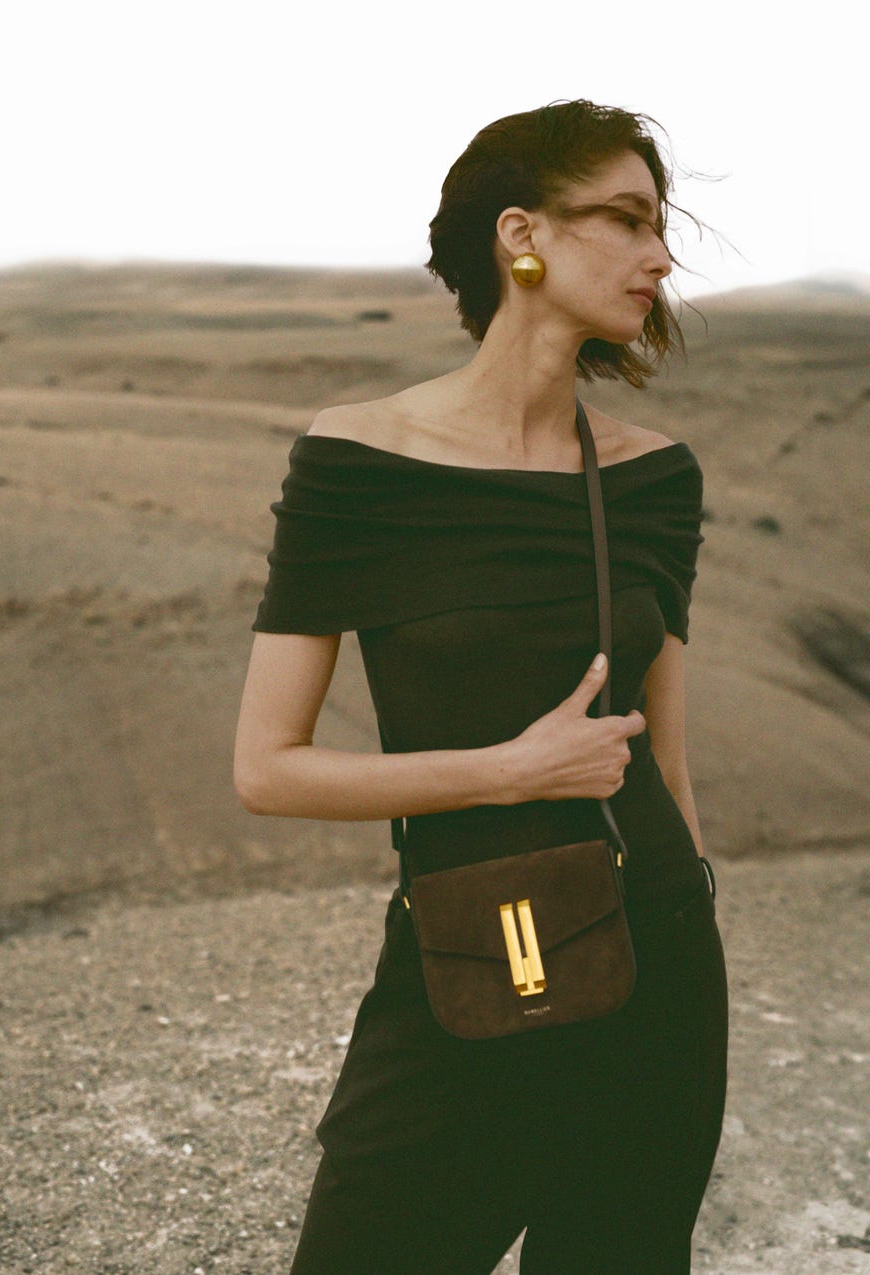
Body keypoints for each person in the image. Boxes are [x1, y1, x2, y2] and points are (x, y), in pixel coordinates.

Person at [234, 99, 728, 1274]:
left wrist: (695, 926)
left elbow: (664, 764)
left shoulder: (656, 480)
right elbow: (266, 769)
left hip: (655, 965)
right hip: (464, 954)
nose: (660, 256)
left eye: (662, 228)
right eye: (625, 219)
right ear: (522, 235)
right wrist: (509, 772)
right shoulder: (357, 464)